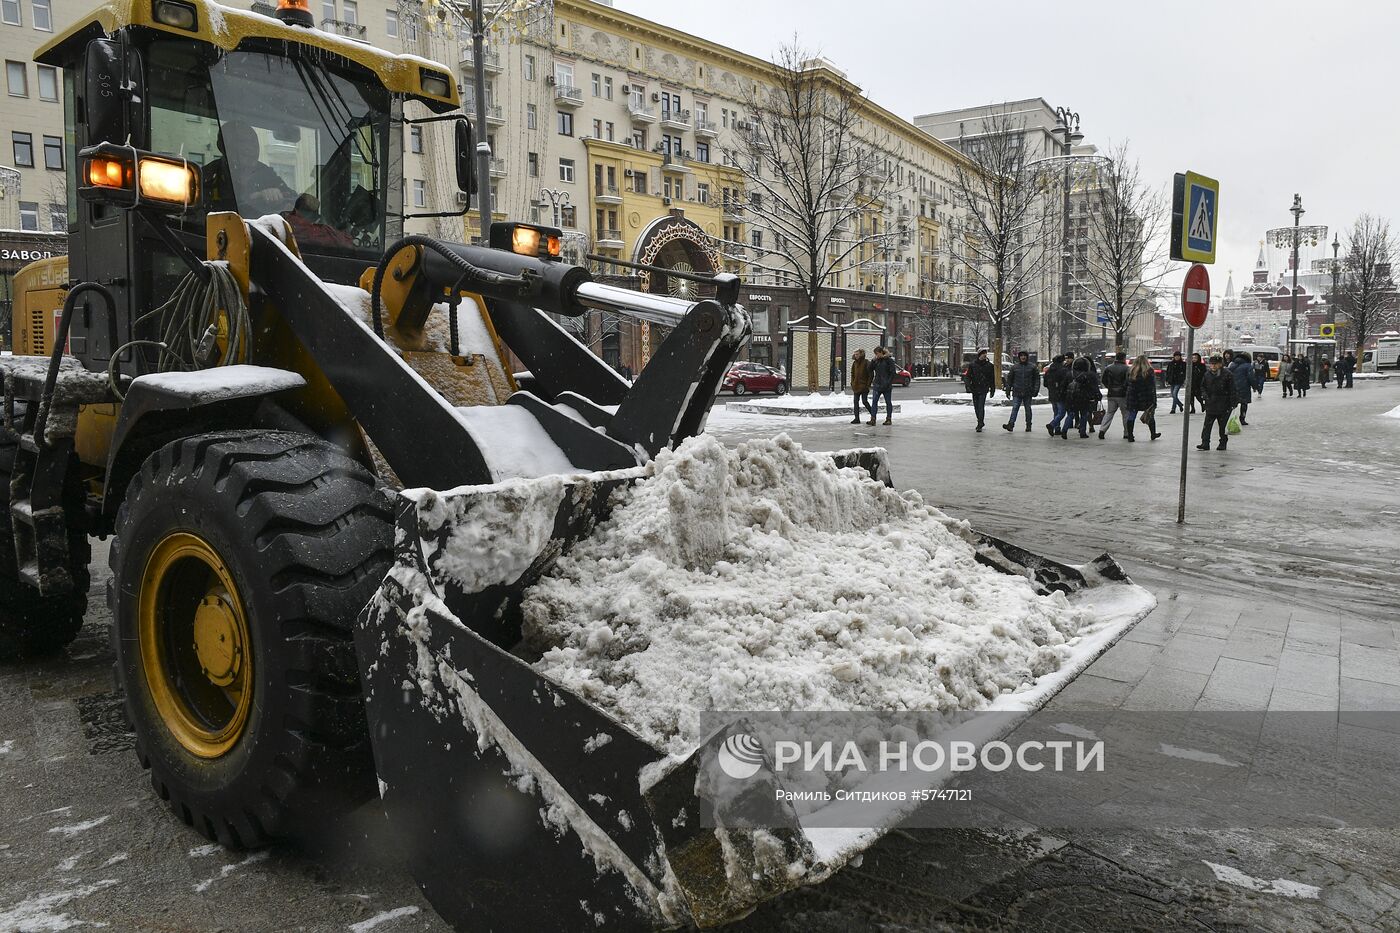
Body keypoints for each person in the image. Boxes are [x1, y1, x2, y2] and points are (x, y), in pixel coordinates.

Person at [204, 120, 297, 216]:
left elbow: (292, 198)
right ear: (222, 146)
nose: (251, 148)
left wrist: (301, 199)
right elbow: (202, 213)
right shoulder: (208, 175)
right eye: (242, 142)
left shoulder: (266, 173)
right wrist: (254, 198)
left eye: (253, 142)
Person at [1196, 354, 1238, 451]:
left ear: (1220, 364)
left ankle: (1222, 443)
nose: (1213, 366)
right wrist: (1205, 395)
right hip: (1211, 404)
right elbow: (1202, 386)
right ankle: (1205, 443)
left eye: (1215, 364)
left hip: (1224, 404)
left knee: (1222, 426)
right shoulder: (1207, 374)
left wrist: (1233, 403)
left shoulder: (1227, 374)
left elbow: (1233, 389)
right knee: (1207, 426)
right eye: (1211, 364)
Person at [1002, 350, 1041, 433]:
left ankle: (1028, 425)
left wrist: (1035, 390)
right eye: (1021, 356)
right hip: (1017, 391)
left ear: (1027, 357)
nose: (1023, 357)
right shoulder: (1015, 367)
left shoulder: (1032, 367)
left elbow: (1037, 380)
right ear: (1019, 357)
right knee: (1015, 408)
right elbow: (1009, 380)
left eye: (1024, 355)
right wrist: (1008, 391)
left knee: (1028, 409)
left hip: (1028, 391)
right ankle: (1011, 424)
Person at [1125, 354, 1161, 442]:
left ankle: (1130, 435)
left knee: (1131, 416)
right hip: (1146, 396)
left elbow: (1127, 383)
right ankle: (1153, 434)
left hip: (1133, 396)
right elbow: (1152, 386)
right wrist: (1153, 400)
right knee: (1149, 414)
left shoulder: (1131, 370)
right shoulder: (1149, 371)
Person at [1064, 356, 1100, 439]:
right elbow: (1094, 387)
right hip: (1084, 397)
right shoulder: (1090, 375)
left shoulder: (1070, 374)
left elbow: (1064, 386)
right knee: (1084, 414)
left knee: (1071, 414)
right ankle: (1082, 431)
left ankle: (1064, 430)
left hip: (1072, 397)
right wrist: (1097, 395)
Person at [1098, 351, 1130, 440]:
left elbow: (1104, 380)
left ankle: (1102, 430)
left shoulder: (1109, 368)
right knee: (1125, 413)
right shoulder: (1127, 368)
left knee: (1109, 412)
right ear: (1124, 358)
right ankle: (1127, 432)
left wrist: (1110, 387)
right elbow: (1128, 381)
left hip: (1111, 394)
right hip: (1123, 394)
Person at [963, 349, 995, 432]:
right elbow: (967, 376)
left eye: (985, 353)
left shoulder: (989, 366)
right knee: (976, 407)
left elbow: (992, 378)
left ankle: (980, 423)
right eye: (983, 353)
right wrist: (968, 384)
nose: (985, 355)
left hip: (984, 388)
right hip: (975, 388)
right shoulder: (973, 365)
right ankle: (980, 420)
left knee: (981, 406)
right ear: (979, 355)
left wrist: (992, 389)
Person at [869, 346, 897, 425]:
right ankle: (873, 419)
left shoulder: (889, 360)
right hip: (877, 385)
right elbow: (869, 369)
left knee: (888, 402)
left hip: (886, 386)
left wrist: (888, 382)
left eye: (877, 354)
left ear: (881, 352)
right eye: (875, 354)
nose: (876, 355)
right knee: (874, 402)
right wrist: (872, 361)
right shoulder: (876, 361)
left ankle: (888, 419)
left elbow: (893, 373)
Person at [1044, 355, 1070, 436]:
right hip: (1061, 394)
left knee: (1056, 412)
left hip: (1052, 394)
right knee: (1062, 412)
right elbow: (1066, 382)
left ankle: (1057, 428)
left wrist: (1051, 388)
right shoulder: (1063, 370)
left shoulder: (1049, 371)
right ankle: (1052, 425)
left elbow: (1045, 384)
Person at [1229, 350, 1254, 425]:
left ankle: (1227, 417)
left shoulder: (1232, 364)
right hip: (1244, 387)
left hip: (1233, 386)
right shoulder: (1248, 366)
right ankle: (1242, 419)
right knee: (1244, 403)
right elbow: (1251, 377)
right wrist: (1255, 386)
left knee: (1232, 403)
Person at [849, 349, 872, 425]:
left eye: (857, 354)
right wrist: (852, 382)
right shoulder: (854, 363)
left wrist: (868, 385)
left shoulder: (866, 362)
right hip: (856, 386)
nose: (856, 355)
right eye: (855, 354)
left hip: (864, 386)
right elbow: (852, 373)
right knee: (855, 402)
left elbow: (871, 374)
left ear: (861, 354)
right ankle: (857, 418)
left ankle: (873, 414)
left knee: (864, 401)